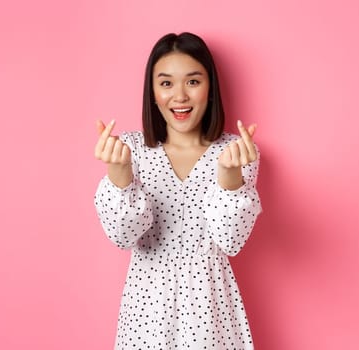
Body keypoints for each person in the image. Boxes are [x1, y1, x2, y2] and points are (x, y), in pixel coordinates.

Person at [93, 32, 262, 349]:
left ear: (210, 88)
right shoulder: (131, 149)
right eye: (167, 83)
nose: (180, 96)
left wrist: (228, 176)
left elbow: (231, 240)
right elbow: (123, 237)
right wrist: (120, 178)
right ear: (153, 92)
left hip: (211, 307)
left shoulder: (236, 152)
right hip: (146, 308)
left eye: (193, 82)